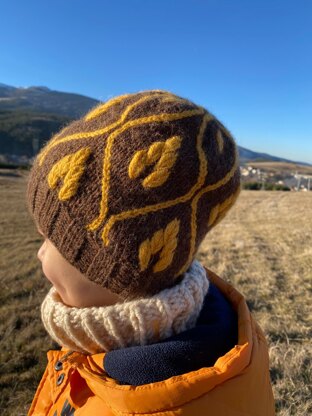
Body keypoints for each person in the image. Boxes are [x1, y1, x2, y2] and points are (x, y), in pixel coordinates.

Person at [26, 90, 275, 415]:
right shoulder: (105, 343)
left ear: (117, 269)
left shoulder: (157, 401)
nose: (39, 255)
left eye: (50, 240)